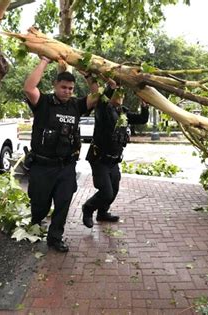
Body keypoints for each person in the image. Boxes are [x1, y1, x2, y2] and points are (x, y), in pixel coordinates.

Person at [23, 56, 100, 252]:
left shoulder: (76, 105)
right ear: (55, 85)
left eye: (71, 88)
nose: (67, 91)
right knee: (40, 204)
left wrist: (89, 76)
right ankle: (36, 221)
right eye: (64, 87)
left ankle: (55, 237)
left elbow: (97, 96)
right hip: (42, 166)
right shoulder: (44, 102)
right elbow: (29, 88)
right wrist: (44, 61)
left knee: (63, 202)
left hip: (66, 166)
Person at [81, 89, 149, 228]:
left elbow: (142, 119)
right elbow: (102, 100)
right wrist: (111, 87)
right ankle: (88, 208)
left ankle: (102, 213)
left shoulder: (123, 112)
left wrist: (145, 106)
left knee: (114, 189)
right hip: (100, 159)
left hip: (113, 160)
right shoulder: (102, 110)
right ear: (110, 97)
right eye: (116, 93)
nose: (120, 96)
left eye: (122, 94)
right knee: (106, 192)